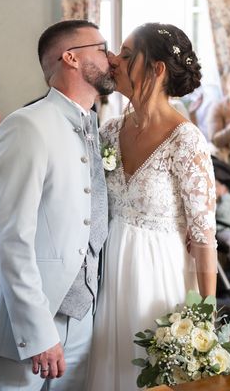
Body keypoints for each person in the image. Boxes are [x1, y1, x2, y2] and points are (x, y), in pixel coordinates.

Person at [0, 19, 115, 390]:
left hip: (82, 317)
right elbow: (10, 237)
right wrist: (38, 332)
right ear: (70, 58)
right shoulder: (26, 125)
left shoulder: (93, 128)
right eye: (100, 47)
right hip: (25, 325)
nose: (110, 56)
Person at [87, 23, 217, 390]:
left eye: (127, 55)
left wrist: (203, 323)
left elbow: (205, 241)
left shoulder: (186, 140)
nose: (114, 60)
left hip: (159, 278)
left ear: (157, 69)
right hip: (109, 273)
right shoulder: (109, 130)